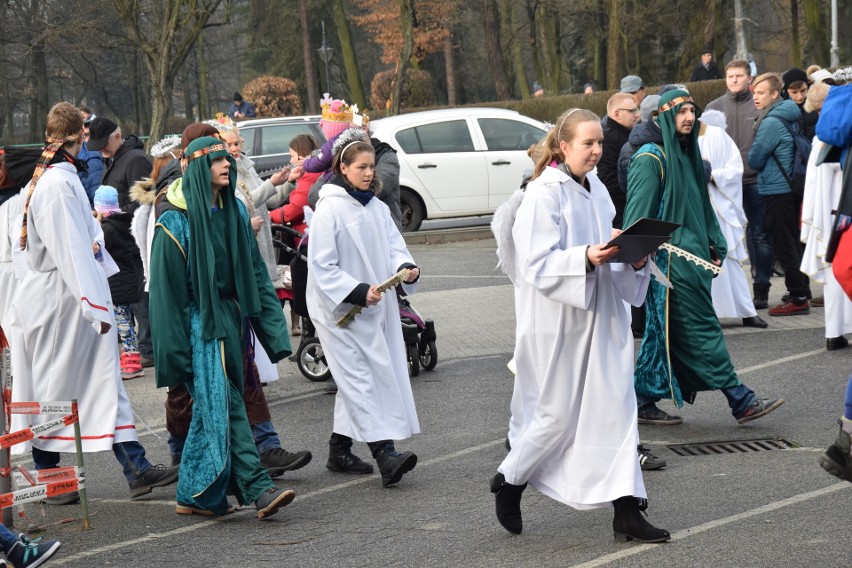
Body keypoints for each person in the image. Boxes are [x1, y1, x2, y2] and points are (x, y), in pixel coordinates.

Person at [489, 108, 668, 542]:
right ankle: (510, 481)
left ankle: (627, 509)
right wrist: (585, 258)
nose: (596, 151)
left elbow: (608, 239)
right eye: (588, 143)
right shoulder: (543, 194)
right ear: (563, 146)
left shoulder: (597, 189)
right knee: (556, 416)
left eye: (600, 144)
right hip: (561, 323)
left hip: (603, 317)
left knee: (617, 411)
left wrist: (633, 254)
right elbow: (535, 263)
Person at [8, 102, 178, 505]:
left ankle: (136, 467)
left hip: (68, 299)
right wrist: (93, 303)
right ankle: (49, 474)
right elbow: (69, 249)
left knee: (103, 383)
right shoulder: (57, 184)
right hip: (63, 304)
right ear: (79, 137)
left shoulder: (52, 180)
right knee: (59, 389)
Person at [149, 136, 296, 518]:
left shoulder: (232, 212)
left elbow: (256, 276)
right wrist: (175, 355)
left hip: (232, 323)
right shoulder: (173, 223)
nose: (226, 163)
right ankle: (258, 486)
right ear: (199, 167)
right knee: (226, 404)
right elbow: (166, 299)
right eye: (216, 159)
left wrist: (272, 332)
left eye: (227, 157)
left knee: (212, 411)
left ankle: (196, 495)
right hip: (200, 329)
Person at [624, 90, 784, 426]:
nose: (687, 117)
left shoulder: (688, 155)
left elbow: (700, 207)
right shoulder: (650, 159)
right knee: (703, 332)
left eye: (692, 110)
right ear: (664, 116)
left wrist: (713, 243)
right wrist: (638, 260)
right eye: (680, 111)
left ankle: (641, 399)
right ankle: (741, 400)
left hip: (692, 262)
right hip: (668, 266)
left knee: (665, 335)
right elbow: (637, 219)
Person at [306, 137, 421, 487]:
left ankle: (339, 449)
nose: (369, 173)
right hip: (337, 311)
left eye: (371, 167)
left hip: (374, 306)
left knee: (356, 377)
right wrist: (356, 291)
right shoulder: (330, 209)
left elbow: (393, 244)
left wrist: (406, 266)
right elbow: (322, 265)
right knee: (357, 377)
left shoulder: (374, 207)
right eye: (361, 167)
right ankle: (385, 454)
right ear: (342, 168)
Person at [86, 116, 154, 366]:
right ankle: (140, 347)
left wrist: (113, 213)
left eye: (104, 143)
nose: (101, 150)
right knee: (129, 297)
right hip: (118, 237)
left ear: (117, 135)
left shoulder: (135, 160)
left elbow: (145, 201)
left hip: (131, 239)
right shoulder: (115, 159)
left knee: (138, 296)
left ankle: (149, 348)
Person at [706, 59, 774, 310]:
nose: (734, 80)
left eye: (739, 76)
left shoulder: (758, 105)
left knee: (759, 235)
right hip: (721, 186)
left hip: (753, 180)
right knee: (725, 237)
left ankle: (761, 288)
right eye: (730, 76)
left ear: (749, 79)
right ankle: (726, 294)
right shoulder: (713, 108)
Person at [748, 72, 811, 316]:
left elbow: (755, 159)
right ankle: (801, 289)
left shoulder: (771, 121)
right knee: (793, 242)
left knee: (784, 246)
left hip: (777, 191)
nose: (756, 97)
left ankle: (797, 297)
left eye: (761, 93)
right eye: (754, 93)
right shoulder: (788, 114)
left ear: (775, 94)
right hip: (790, 188)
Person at [698, 110, 768, 328]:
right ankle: (709, 314)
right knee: (701, 261)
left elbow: (735, 168)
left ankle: (747, 311)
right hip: (696, 210)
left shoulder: (717, 135)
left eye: (690, 111)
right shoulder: (676, 140)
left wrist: (713, 175)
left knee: (730, 258)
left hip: (720, 207)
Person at [800, 83, 852, 350]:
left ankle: (834, 331)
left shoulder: (823, 136)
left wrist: (812, 221)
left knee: (836, 272)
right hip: (845, 211)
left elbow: (813, 185)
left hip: (832, 215)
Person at [94, 184, 146, 379]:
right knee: (128, 322)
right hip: (130, 278)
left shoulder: (106, 229)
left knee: (123, 324)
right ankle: (129, 360)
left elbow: (99, 252)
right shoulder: (126, 222)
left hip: (117, 283)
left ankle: (132, 364)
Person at [599, 92, 639, 228]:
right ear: (617, 114)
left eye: (637, 110)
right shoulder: (608, 140)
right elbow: (609, 182)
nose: (637, 114)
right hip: (620, 216)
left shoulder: (626, 134)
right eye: (632, 111)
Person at [782, 68, 819, 140]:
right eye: (794, 92)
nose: (800, 96)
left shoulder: (818, 103)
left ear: (808, 86)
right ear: (786, 91)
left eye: (803, 90)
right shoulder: (781, 108)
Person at [76, 109, 103, 205]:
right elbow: (97, 199)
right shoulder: (92, 159)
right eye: (85, 135)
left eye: (91, 135)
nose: (88, 139)